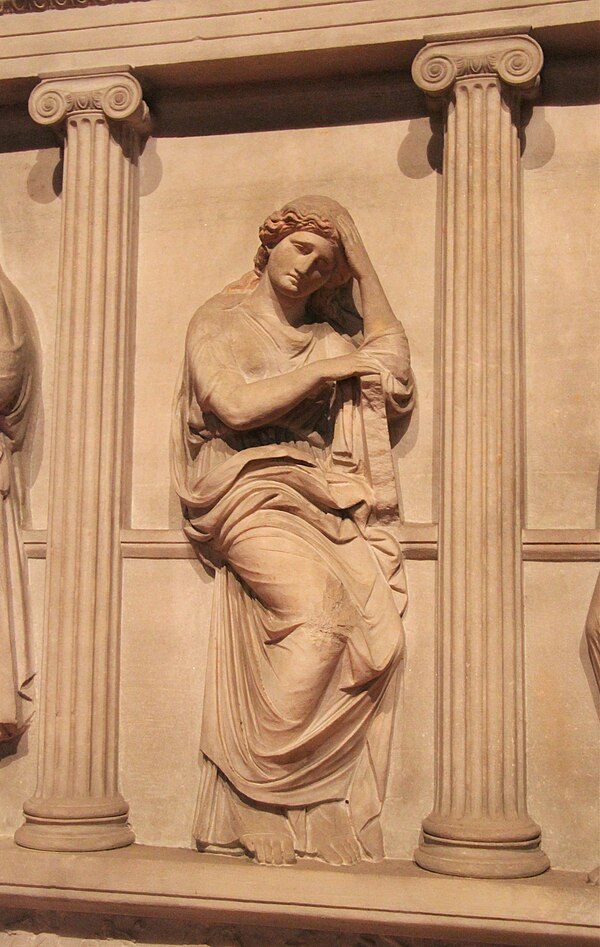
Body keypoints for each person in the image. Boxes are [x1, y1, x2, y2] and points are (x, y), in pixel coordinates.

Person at [171, 196, 414, 865]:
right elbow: (233, 403)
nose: (309, 269)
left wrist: (360, 260)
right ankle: (258, 795)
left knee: (382, 638)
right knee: (319, 616)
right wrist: (324, 371)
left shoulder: (329, 334)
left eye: (326, 265)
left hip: (317, 498)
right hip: (243, 492)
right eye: (302, 248)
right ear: (272, 241)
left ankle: (308, 795)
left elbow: (391, 365)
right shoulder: (220, 320)